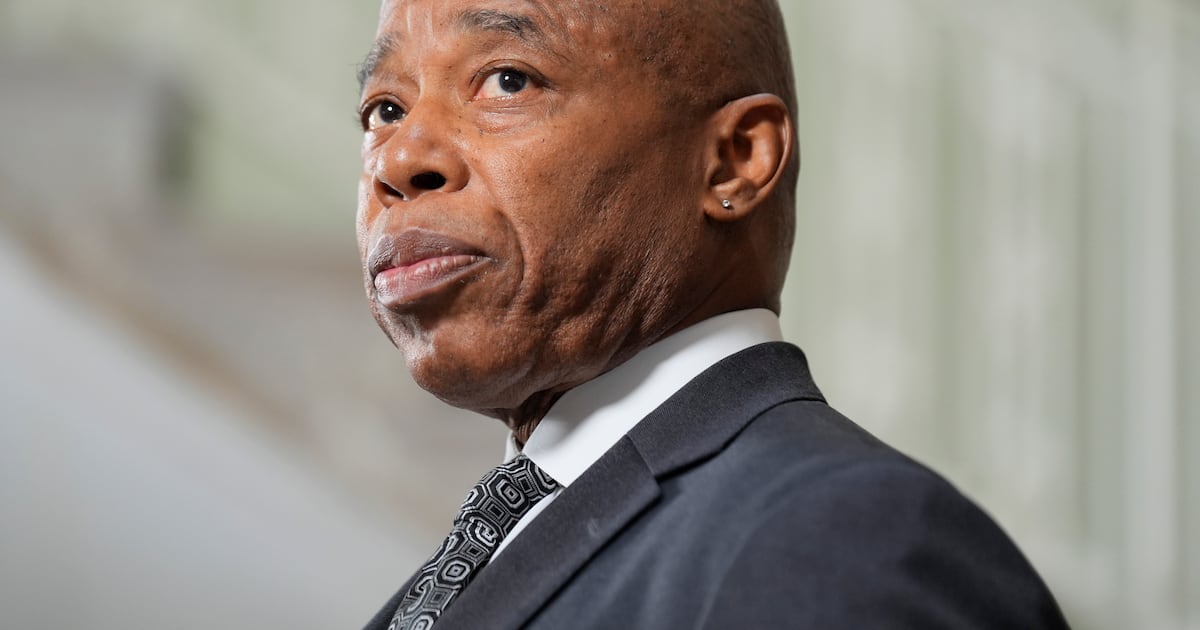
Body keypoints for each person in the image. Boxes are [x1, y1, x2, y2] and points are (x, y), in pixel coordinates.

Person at [354, 0, 1070, 628]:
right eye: (385, 109)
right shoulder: (510, 543)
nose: (399, 158)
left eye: (509, 80)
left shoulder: (842, 540)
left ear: (735, 159)